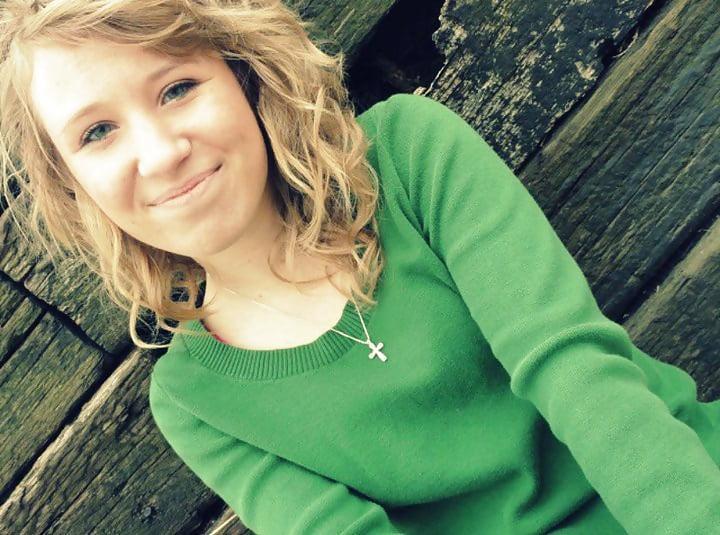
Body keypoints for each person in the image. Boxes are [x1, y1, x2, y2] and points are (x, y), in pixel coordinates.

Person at [1, 1, 719, 534]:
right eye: (98, 132)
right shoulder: (194, 400)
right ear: (70, 184)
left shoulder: (410, 156)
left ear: (241, 74)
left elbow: (578, 374)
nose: (161, 153)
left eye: (178, 87)